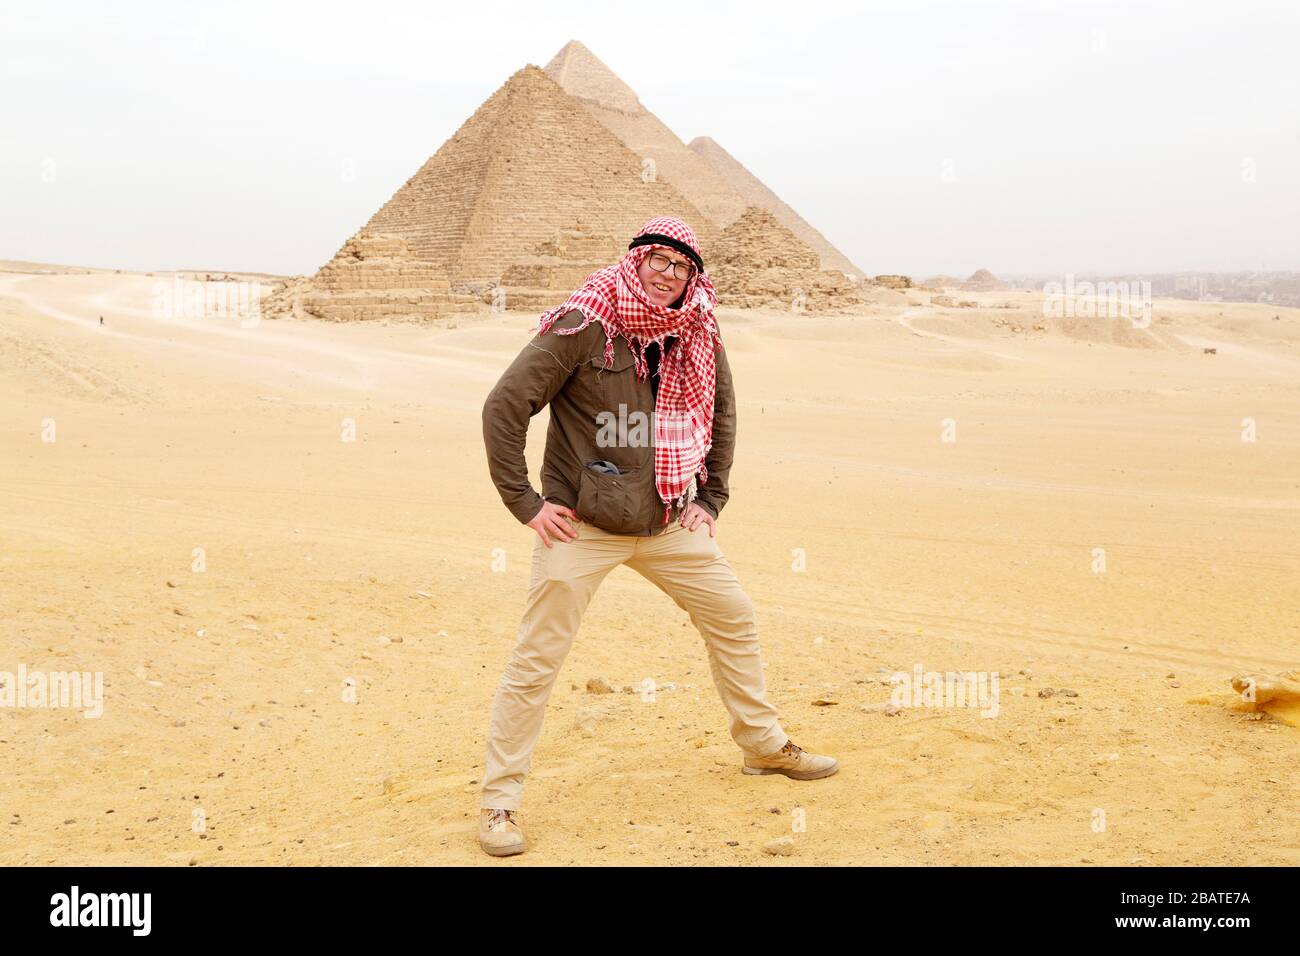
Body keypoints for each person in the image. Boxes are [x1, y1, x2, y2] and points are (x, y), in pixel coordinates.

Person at [478, 216, 838, 857]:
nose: (670, 274)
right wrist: (526, 505)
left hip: (669, 519)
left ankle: (761, 746)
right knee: (537, 660)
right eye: (659, 260)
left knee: (734, 616)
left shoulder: (695, 331)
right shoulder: (582, 325)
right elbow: (505, 406)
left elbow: (721, 414)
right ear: (636, 260)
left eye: (683, 265)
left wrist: (712, 498)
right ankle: (500, 803)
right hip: (581, 526)